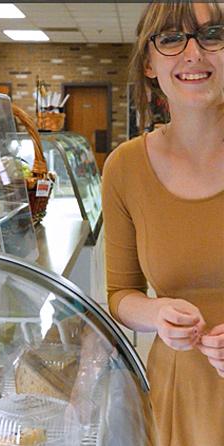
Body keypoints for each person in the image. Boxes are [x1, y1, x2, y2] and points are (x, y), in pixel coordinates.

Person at [103, 2, 224, 444]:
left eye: (212, 35)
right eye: (172, 38)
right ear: (150, 62)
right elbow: (120, 295)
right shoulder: (125, 168)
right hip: (178, 399)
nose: (194, 53)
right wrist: (156, 312)